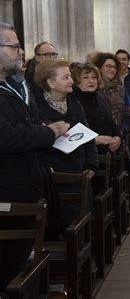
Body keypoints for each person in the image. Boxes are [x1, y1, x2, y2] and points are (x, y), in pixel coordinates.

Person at [0, 22, 69, 288]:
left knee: (18, 265)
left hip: (26, 187)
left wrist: (42, 130)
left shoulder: (14, 86)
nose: (20, 52)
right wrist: (47, 133)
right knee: (9, 269)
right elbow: (6, 137)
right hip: (7, 192)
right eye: (14, 46)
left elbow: (26, 126)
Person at [34, 59, 98, 234]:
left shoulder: (74, 103)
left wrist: (91, 164)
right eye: (65, 77)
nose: (71, 81)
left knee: (81, 226)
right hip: (55, 175)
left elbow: (88, 135)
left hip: (79, 171)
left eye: (70, 77)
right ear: (50, 82)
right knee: (57, 226)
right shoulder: (36, 107)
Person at [91, 52, 130, 140]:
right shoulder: (93, 89)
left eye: (114, 67)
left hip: (120, 137)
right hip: (99, 138)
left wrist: (120, 134)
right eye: (108, 66)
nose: (112, 69)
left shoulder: (121, 90)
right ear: (99, 68)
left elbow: (128, 115)